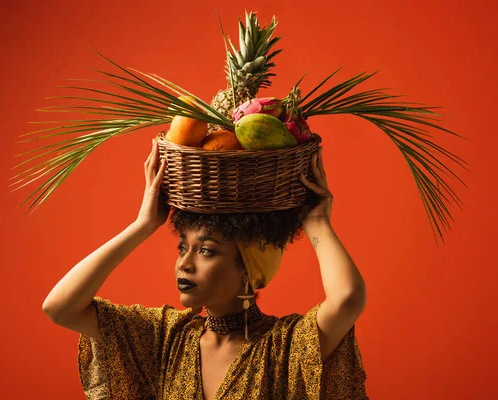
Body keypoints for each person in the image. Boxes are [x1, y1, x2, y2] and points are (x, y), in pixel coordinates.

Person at [42, 138, 369, 399]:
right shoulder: (165, 338)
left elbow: (347, 299)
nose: (185, 263)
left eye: (206, 251)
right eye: (182, 247)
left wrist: (317, 222)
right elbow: (61, 307)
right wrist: (142, 225)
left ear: (248, 268)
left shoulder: (286, 346)